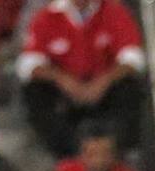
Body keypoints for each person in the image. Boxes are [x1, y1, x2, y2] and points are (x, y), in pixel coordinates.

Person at [17, 0, 146, 156]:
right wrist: (63, 80)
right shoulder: (47, 17)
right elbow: (28, 63)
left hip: (104, 92)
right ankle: (66, 153)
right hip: (66, 95)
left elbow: (133, 57)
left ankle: (117, 149)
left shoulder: (113, 11)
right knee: (35, 90)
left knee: (128, 86)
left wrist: (104, 81)